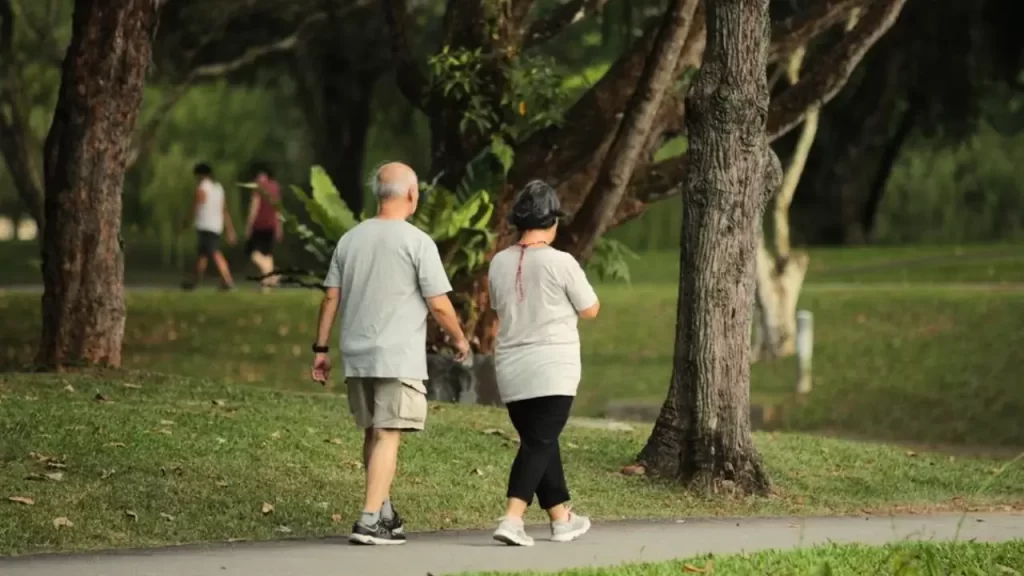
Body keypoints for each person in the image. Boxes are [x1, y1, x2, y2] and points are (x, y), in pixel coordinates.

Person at [310, 162, 471, 546]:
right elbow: (441, 305)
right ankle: (368, 520)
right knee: (387, 433)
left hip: (357, 353)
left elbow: (331, 296)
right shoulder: (417, 243)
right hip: (396, 356)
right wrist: (460, 341)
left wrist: (320, 349)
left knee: (373, 432)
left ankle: (384, 512)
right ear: (412, 195)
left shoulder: (350, 240)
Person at [487, 180, 600, 547]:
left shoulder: (498, 263)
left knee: (540, 441)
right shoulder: (561, 261)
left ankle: (561, 519)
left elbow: (499, 308)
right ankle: (512, 519)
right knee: (538, 443)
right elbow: (591, 308)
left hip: (511, 369)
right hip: (553, 368)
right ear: (552, 222)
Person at [183, 163, 236, 291]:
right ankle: (194, 282)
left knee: (215, 253)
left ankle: (228, 280)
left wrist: (186, 221)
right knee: (203, 255)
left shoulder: (202, 188)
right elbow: (224, 210)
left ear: (200, 175)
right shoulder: (218, 188)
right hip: (217, 225)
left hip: (205, 225)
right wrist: (230, 229)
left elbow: (196, 206)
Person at [244, 162, 283, 292]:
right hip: (272, 225)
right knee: (267, 254)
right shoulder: (275, 186)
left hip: (259, 225)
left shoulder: (258, 186)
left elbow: (254, 206)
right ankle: (266, 286)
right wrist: (279, 227)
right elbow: (278, 209)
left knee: (252, 253)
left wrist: (249, 225)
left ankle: (271, 274)